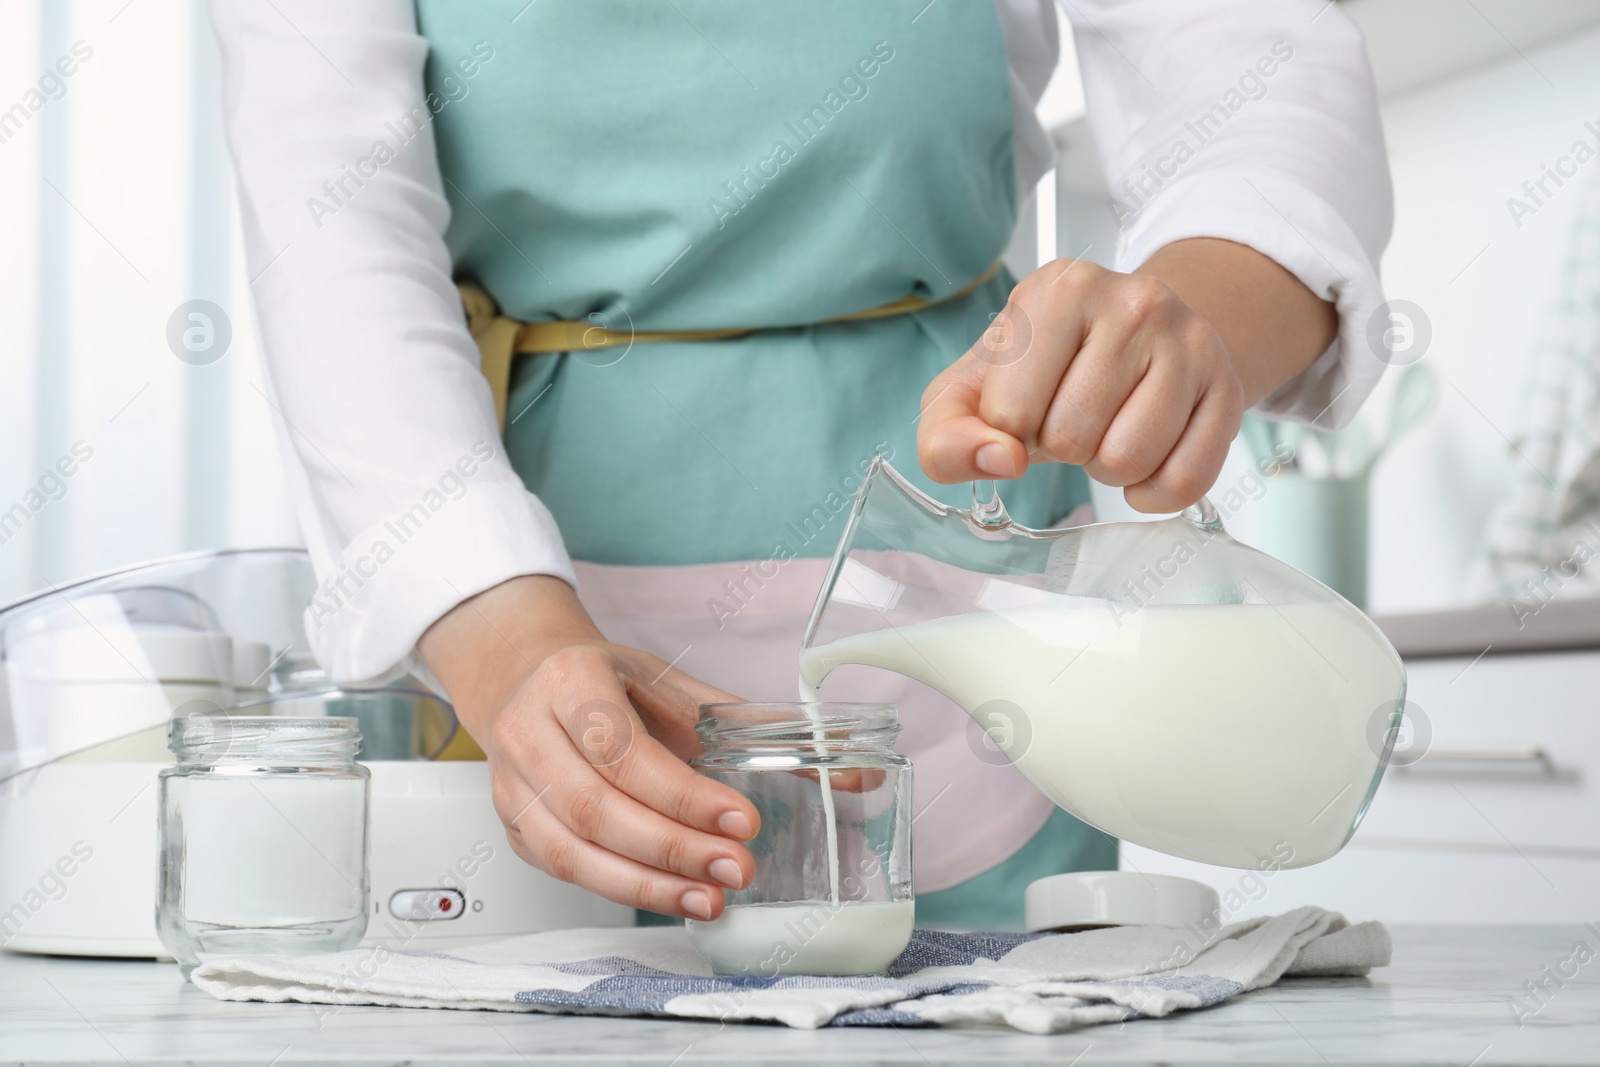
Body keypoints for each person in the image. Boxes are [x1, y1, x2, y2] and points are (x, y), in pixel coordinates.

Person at [211, 0, 1392, 928]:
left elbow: (1254, 68)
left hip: (976, 565)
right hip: (525, 588)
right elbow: (331, 217)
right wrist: (503, 639)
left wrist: (1190, 315)